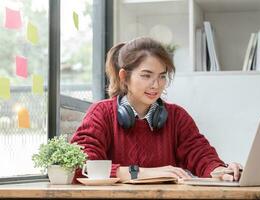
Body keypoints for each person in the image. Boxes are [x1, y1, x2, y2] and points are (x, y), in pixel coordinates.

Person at [71, 37, 242, 183]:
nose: (156, 85)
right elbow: (80, 166)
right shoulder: (101, 114)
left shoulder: (177, 116)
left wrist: (220, 171)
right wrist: (139, 173)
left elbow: (201, 155)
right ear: (124, 76)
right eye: (146, 75)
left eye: (162, 76)